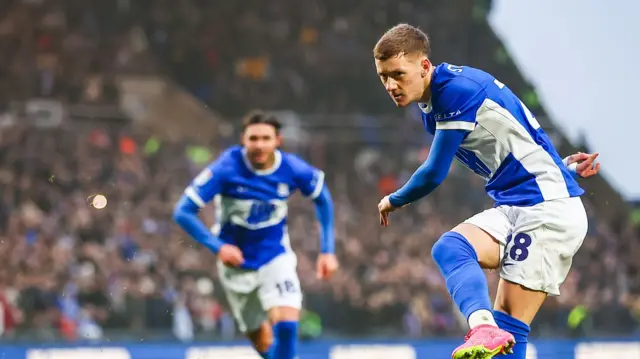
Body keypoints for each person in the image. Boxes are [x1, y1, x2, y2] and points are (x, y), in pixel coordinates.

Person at [373, 24, 600, 359]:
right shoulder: (432, 103)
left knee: (510, 329)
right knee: (450, 248)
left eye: (397, 74)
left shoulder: (455, 92)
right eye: (383, 76)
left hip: (547, 211)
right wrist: (561, 167)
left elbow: (434, 173)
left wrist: (394, 199)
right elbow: (519, 131)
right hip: (519, 201)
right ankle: (482, 326)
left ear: (424, 66)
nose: (391, 85)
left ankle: (486, 327)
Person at [173, 111, 338, 359]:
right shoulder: (226, 168)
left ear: (277, 141)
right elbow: (182, 211)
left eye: (265, 138)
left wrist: (327, 251)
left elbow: (322, 197)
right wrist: (218, 247)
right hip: (236, 264)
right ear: (243, 140)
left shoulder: (292, 168)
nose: (259, 145)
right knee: (263, 344)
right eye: (253, 138)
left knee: (287, 323)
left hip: (275, 255)